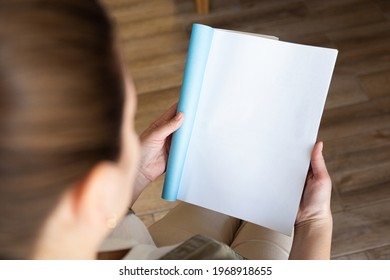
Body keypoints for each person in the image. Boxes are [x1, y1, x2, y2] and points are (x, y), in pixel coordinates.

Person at [0, 0, 332, 260]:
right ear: (93, 193)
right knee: (275, 201)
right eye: (124, 127)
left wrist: (138, 174)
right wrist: (314, 223)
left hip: (136, 245)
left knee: (239, 192)